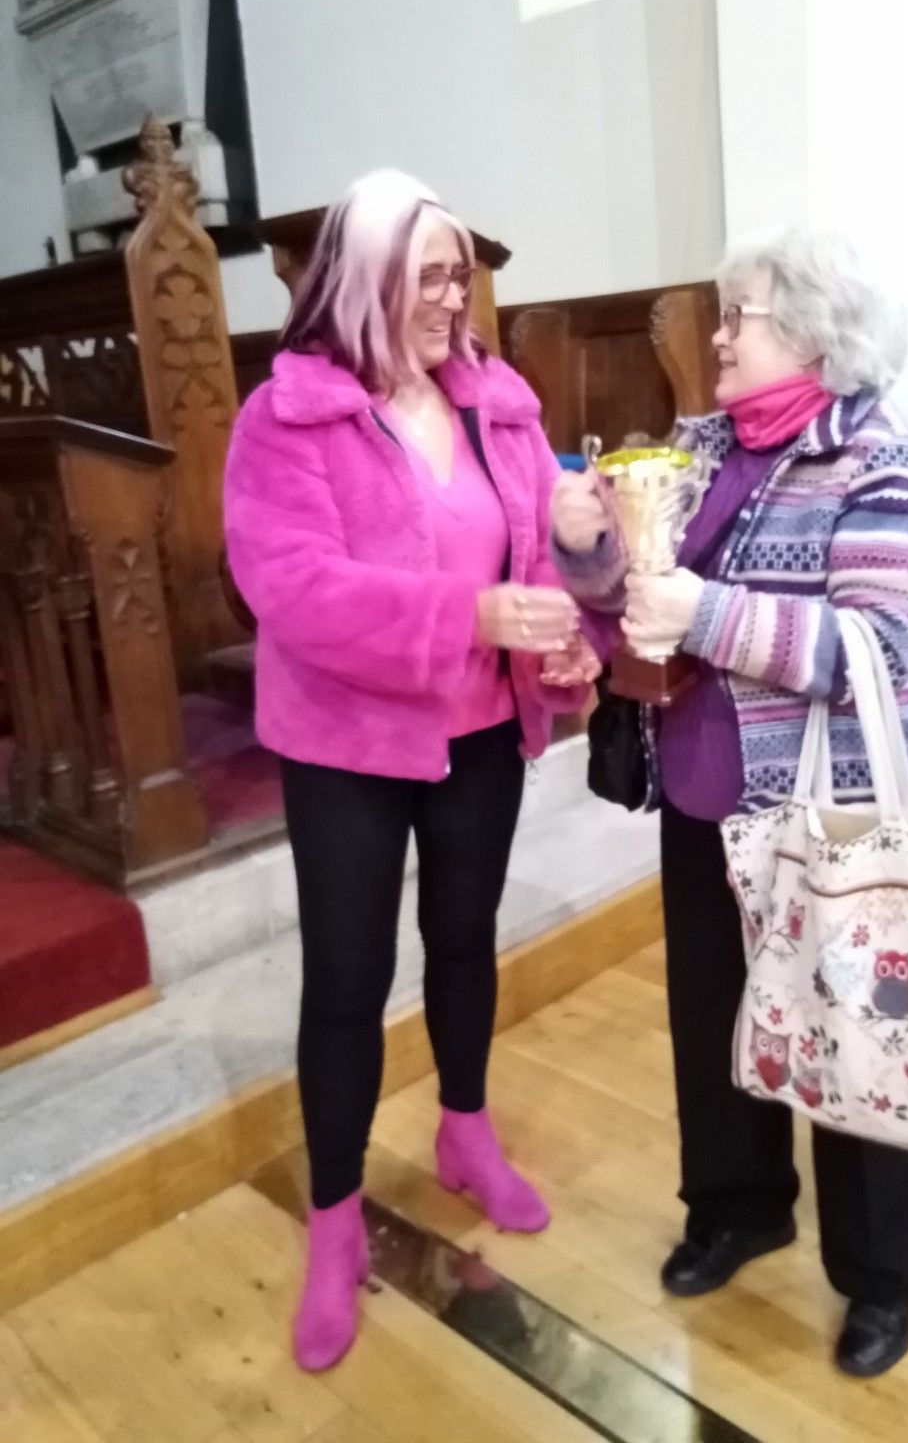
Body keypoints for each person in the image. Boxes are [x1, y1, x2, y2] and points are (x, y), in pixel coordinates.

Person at [550, 230, 908, 1379]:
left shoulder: (889, 465)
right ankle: (738, 1207)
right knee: (717, 1017)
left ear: (817, 338)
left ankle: (883, 1273)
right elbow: (632, 609)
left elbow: (877, 646)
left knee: (855, 1040)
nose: (717, 333)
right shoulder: (691, 449)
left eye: (741, 314)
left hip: (837, 815)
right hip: (704, 800)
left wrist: (707, 614)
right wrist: (584, 558)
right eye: (722, 312)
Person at [224, 169, 599, 1373]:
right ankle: (336, 1220)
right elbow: (294, 588)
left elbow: (542, 555)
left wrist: (578, 582)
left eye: (460, 275)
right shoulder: (285, 420)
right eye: (430, 275)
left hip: (479, 728)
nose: (454, 298)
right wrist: (469, 613)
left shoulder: (500, 403)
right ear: (368, 279)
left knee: (466, 937)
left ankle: (465, 1134)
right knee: (347, 977)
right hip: (347, 740)